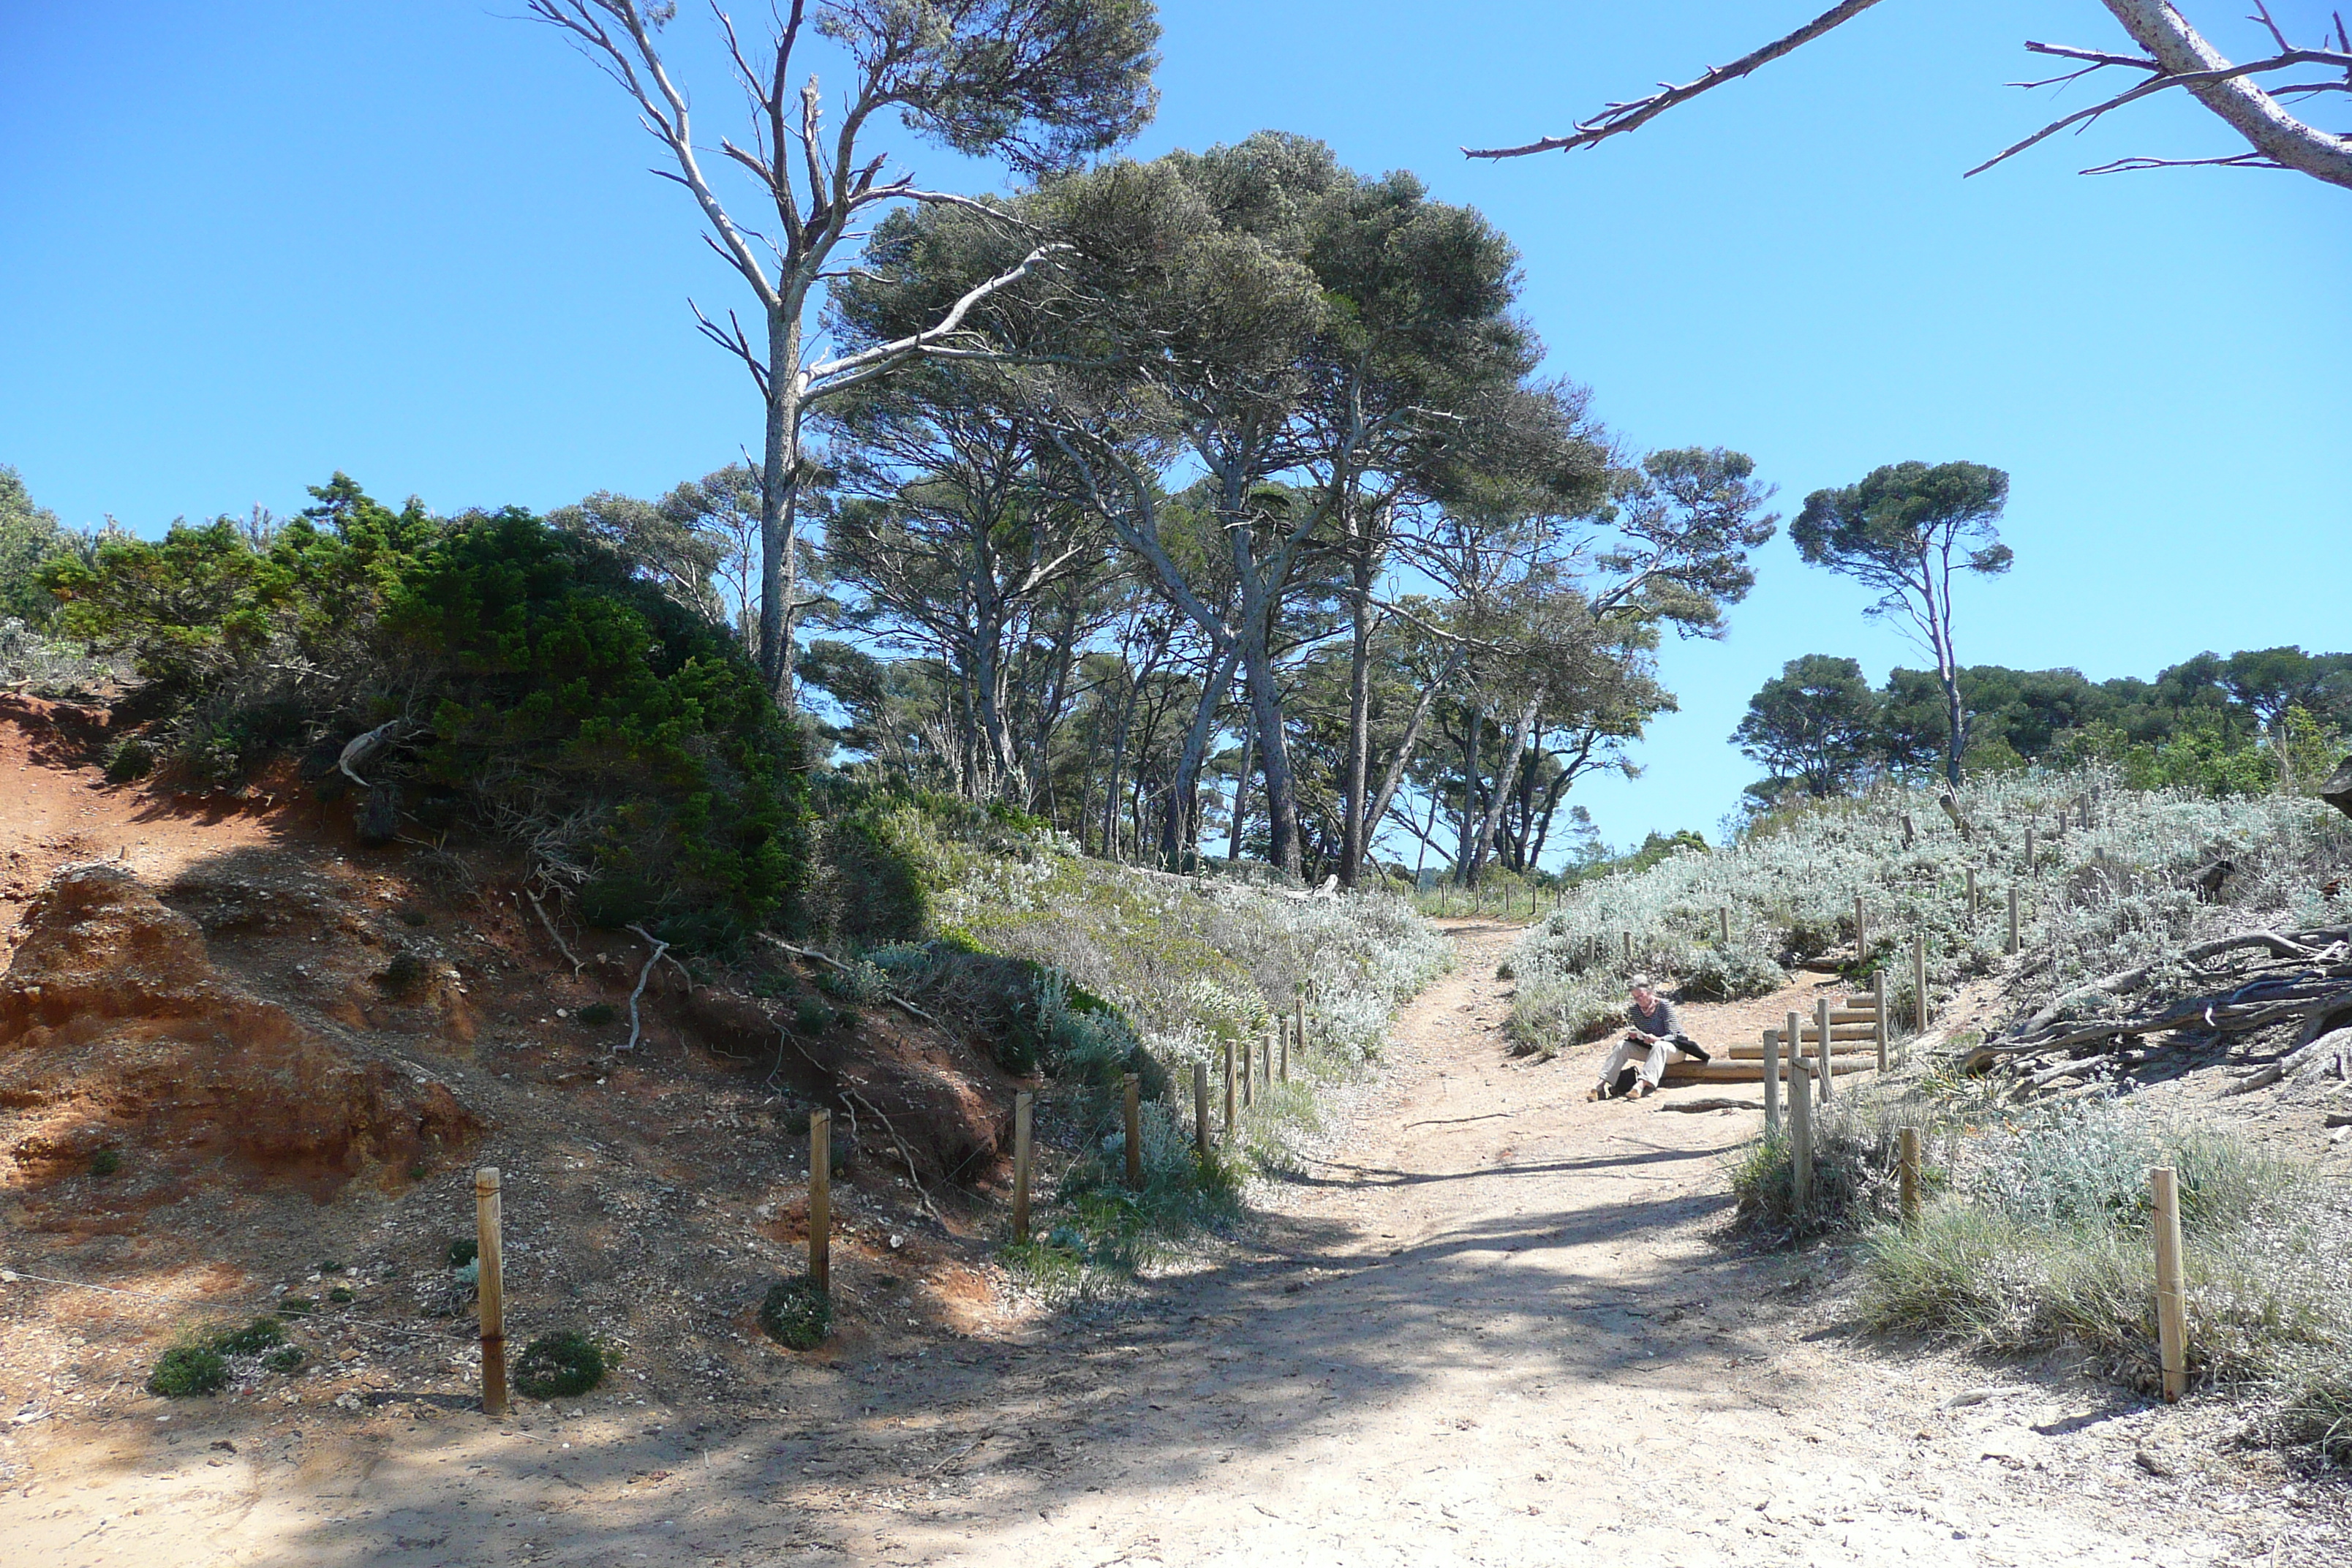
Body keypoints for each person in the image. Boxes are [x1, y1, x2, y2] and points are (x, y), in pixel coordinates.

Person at [1589, 975, 1711, 1100]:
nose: (1639, 1000)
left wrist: (1657, 1039)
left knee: (1660, 1045)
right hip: (1652, 1050)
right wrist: (1635, 1036)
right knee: (1622, 1045)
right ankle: (1599, 1086)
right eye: (1635, 997)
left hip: (1674, 1050)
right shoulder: (1635, 1010)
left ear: (1650, 991)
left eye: (1641, 996)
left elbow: (1675, 1035)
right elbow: (1642, 1035)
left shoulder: (1663, 1005)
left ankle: (1640, 1086)